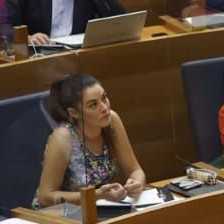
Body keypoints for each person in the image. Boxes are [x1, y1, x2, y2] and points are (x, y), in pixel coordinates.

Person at [33, 74, 145, 209]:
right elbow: (45, 197)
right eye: (93, 105)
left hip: (99, 208)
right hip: (59, 216)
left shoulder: (112, 121)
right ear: (74, 113)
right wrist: (97, 195)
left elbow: (135, 169)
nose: (104, 108)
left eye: (104, 98)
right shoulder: (63, 137)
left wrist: (136, 183)